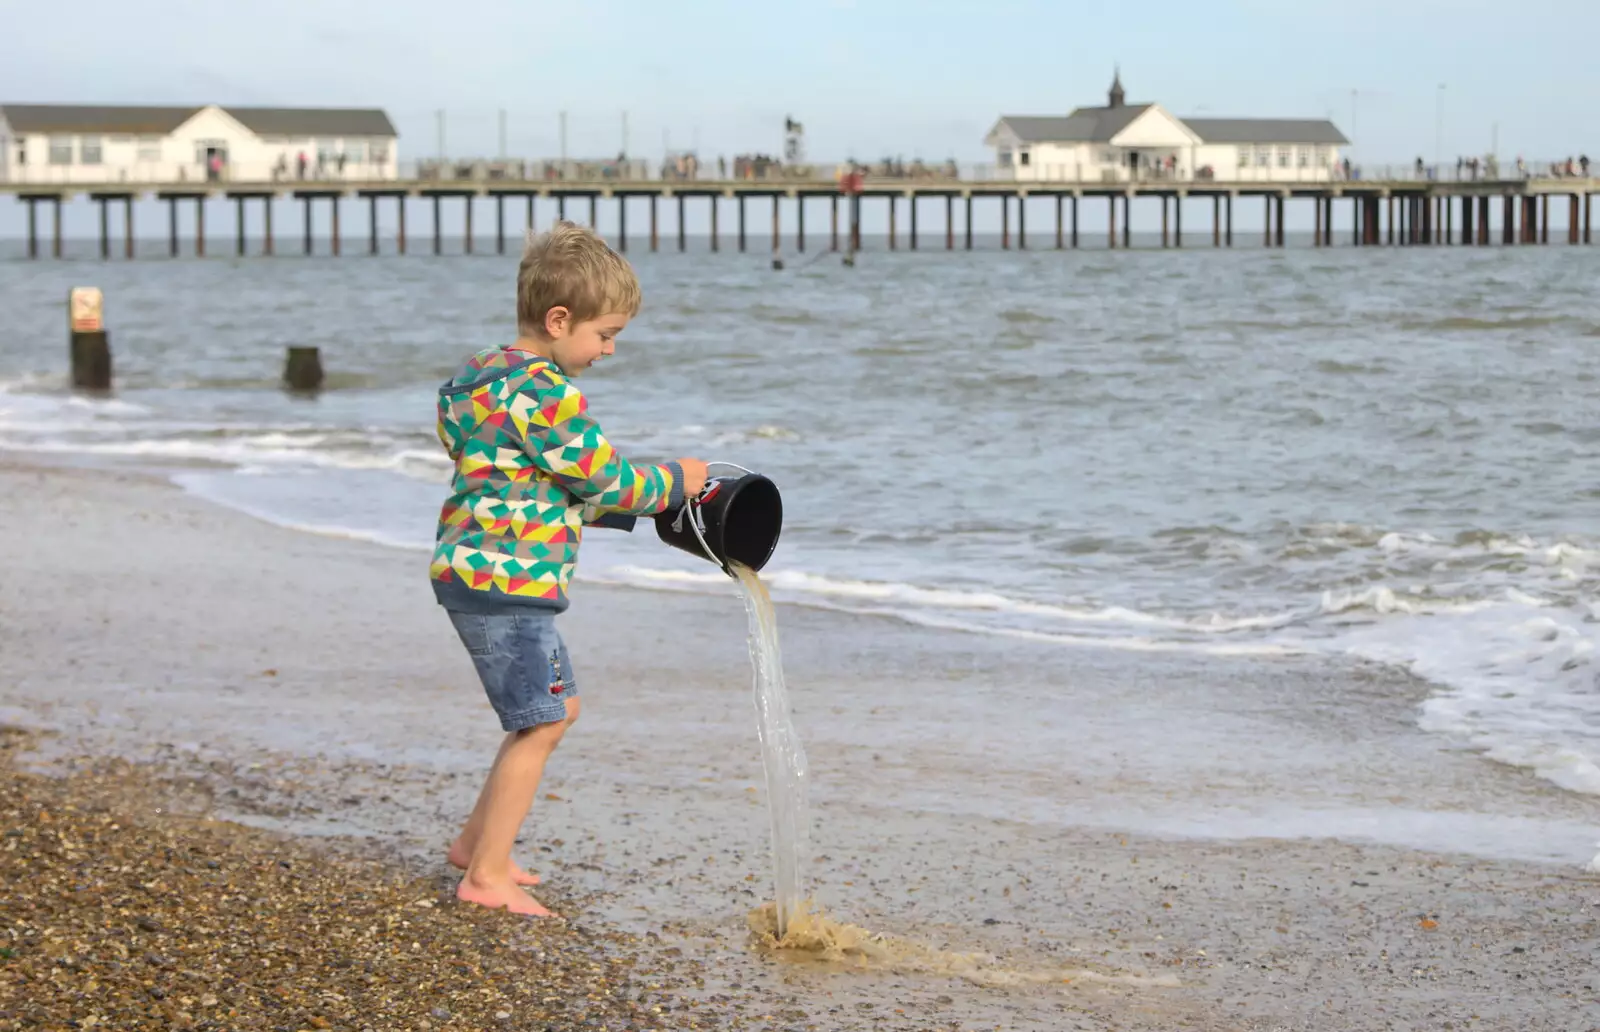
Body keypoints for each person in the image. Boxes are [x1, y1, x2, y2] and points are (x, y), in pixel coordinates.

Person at [430, 221, 709, 917]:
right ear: (559, 321)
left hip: (476, 570)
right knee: (541, 722)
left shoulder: (476, 379)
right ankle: (485, 877)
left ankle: (474, 843)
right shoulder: (547, 393)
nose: (608, 351)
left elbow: (512, 473)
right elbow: (609, 482)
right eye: (604, 334)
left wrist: (567, 505)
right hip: (507, 583)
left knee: (554, 710)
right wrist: (679, 481)